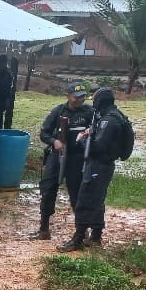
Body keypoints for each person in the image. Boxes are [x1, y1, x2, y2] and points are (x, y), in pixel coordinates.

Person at [58, 88, 127, 252]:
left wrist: (82, 139)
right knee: (97, 200)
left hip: (98, 166)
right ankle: (96, 236)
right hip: (104, 165)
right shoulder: (114, 115)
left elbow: (97, 147)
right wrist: (92, 131)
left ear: (101, 101)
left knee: (84, 200)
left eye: (95, 100)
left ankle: (78, 238)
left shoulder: (108, 121)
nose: (93, 103)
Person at [29, 82, 94, 240]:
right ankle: (44, 229)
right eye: (76, 97)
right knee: (48, 190)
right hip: (57, 155)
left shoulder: (89, 112)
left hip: (77, 158)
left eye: (83, 96)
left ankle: (82, 231)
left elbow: (98, 129)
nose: (80, 100)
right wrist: (54, 141)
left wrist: (90, 131)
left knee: (77, 194)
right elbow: (44, 133)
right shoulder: (58, 111)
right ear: (68, 96)